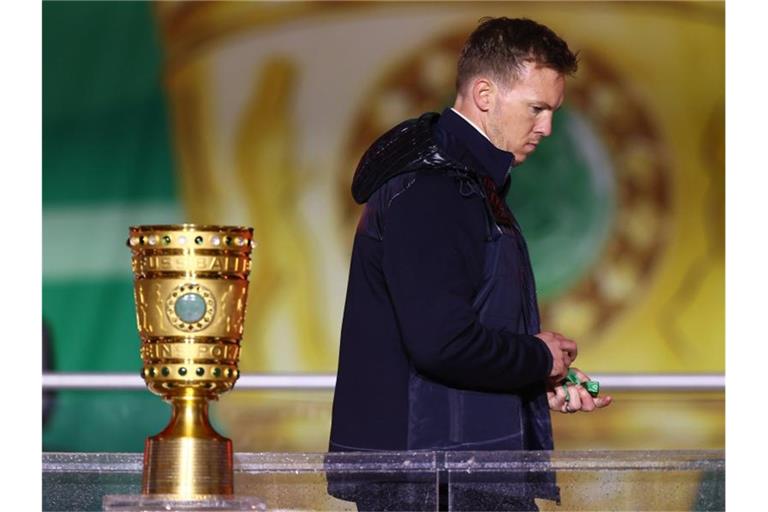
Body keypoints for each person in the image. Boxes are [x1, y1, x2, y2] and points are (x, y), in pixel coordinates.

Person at [328, 17, 612, 511]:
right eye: (537, 108)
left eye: (552, 111)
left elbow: (450, 338)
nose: (546, 127)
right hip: (435, 485)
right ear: (485, 95)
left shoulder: (461, 185)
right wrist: (538, 357)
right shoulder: (435, 191)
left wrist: (530, 375)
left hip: (454, 472)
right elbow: (442, 343)